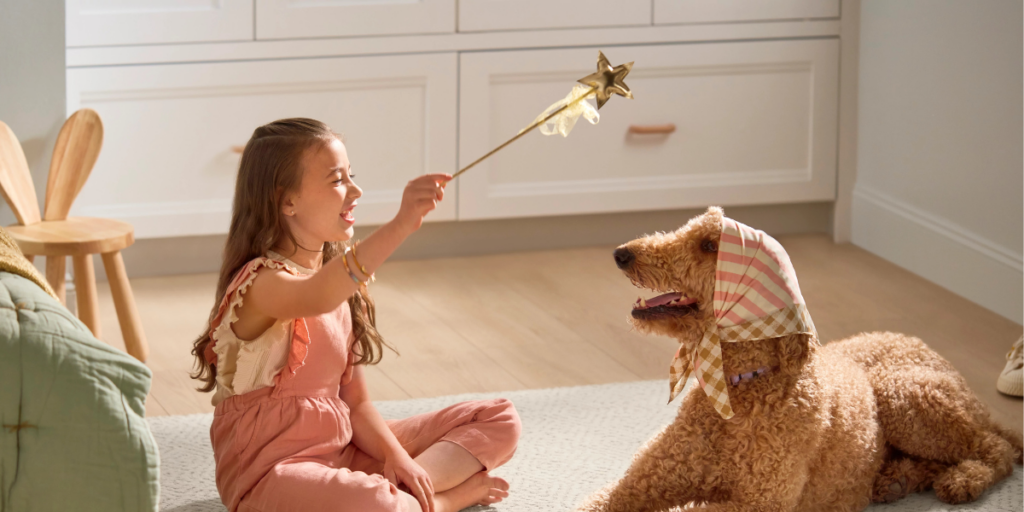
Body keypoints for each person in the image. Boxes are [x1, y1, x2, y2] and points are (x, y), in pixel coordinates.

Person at [190, 118, 521, 512]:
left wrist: (397, 457)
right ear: (287, 201)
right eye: (336, 180)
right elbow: (316, 296)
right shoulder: (262, 284)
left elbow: (358, 405)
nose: (356, 191)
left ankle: (404, 494)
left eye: (352, 176)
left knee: (499, 418)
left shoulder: (340, 289)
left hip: (343, 449)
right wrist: (401, 224)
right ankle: (442, 502)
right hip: (271, 474)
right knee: (374, 503)